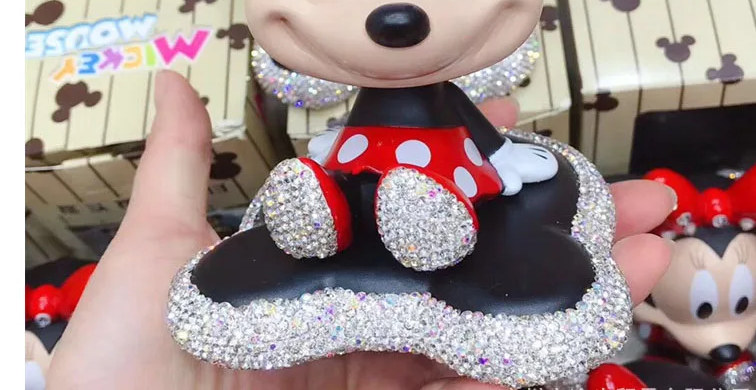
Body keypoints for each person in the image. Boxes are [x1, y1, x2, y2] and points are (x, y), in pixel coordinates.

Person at [47, 71, 676, 390]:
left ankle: (430, 229)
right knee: (346, 188)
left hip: (448, 181)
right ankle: (318, 215)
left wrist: (501, 158)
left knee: (422, 200)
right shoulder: (366, 103)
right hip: (362, 174)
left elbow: (479, 134)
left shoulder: (442, 97)